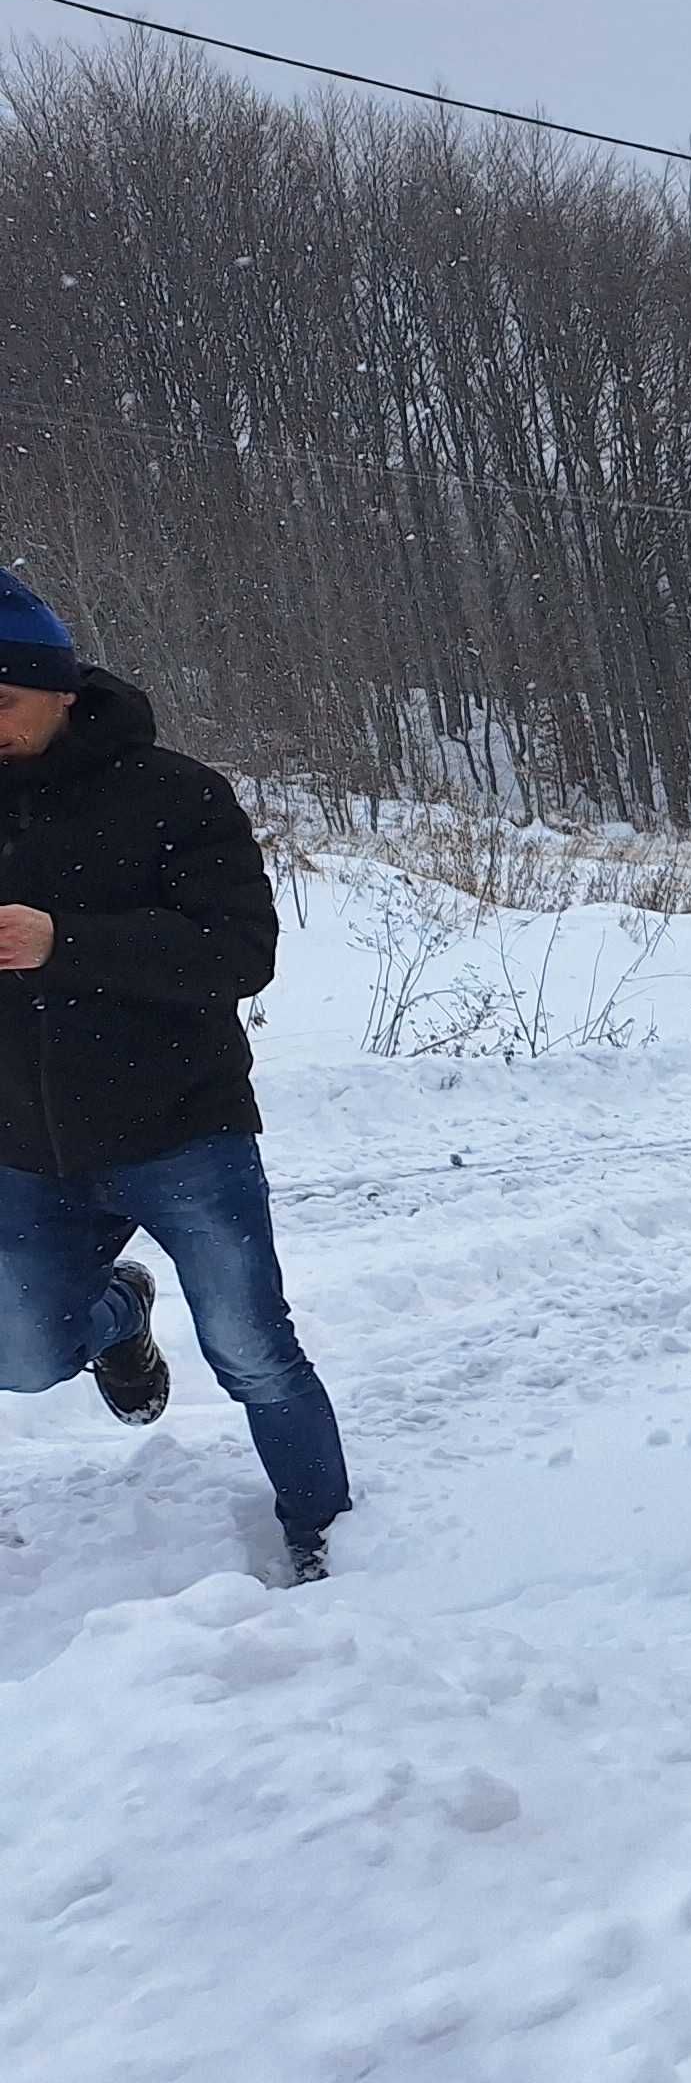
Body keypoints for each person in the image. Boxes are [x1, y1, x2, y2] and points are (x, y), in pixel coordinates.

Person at [0, 562, 351, 1584]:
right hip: (24, 1147)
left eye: (5, 703)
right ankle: (119, 1313)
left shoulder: (172, 793)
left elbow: (238, 952)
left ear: (63, 690)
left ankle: (324, 1524)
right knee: (21, 1359)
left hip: (180, 1131)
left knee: (252, 1349)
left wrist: (67, 941)